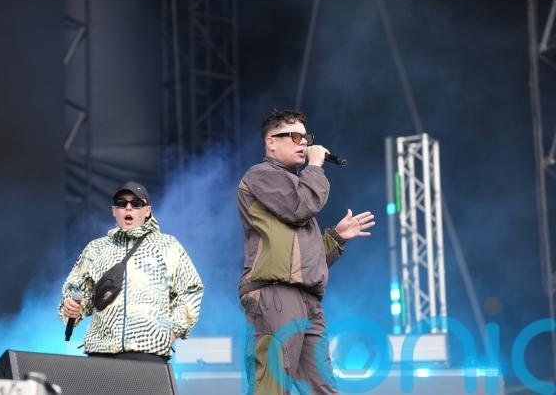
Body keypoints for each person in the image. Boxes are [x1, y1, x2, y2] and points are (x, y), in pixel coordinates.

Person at [237, 109, 375, 394]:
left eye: (305, 137)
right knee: (272, 386)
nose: (303, 143)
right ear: (271, 142)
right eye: (294, 136)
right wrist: (315, 166)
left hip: (307, 300)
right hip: (275, 296)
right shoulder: (261, 175)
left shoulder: (296, 186)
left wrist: (336, 237)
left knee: (322, 387)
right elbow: (299, 208)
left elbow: (301, 259)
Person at [59, 181, 204, 363]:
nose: (128, 208)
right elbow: (76, 289)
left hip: (147, 351)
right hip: (100, 351)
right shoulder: (96, 248)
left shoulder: (168, 246)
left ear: (147, 211)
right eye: (122, 203)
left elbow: (191, 289)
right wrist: (71, 306)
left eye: (136, 204)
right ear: (114, 211)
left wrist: (173, 331)